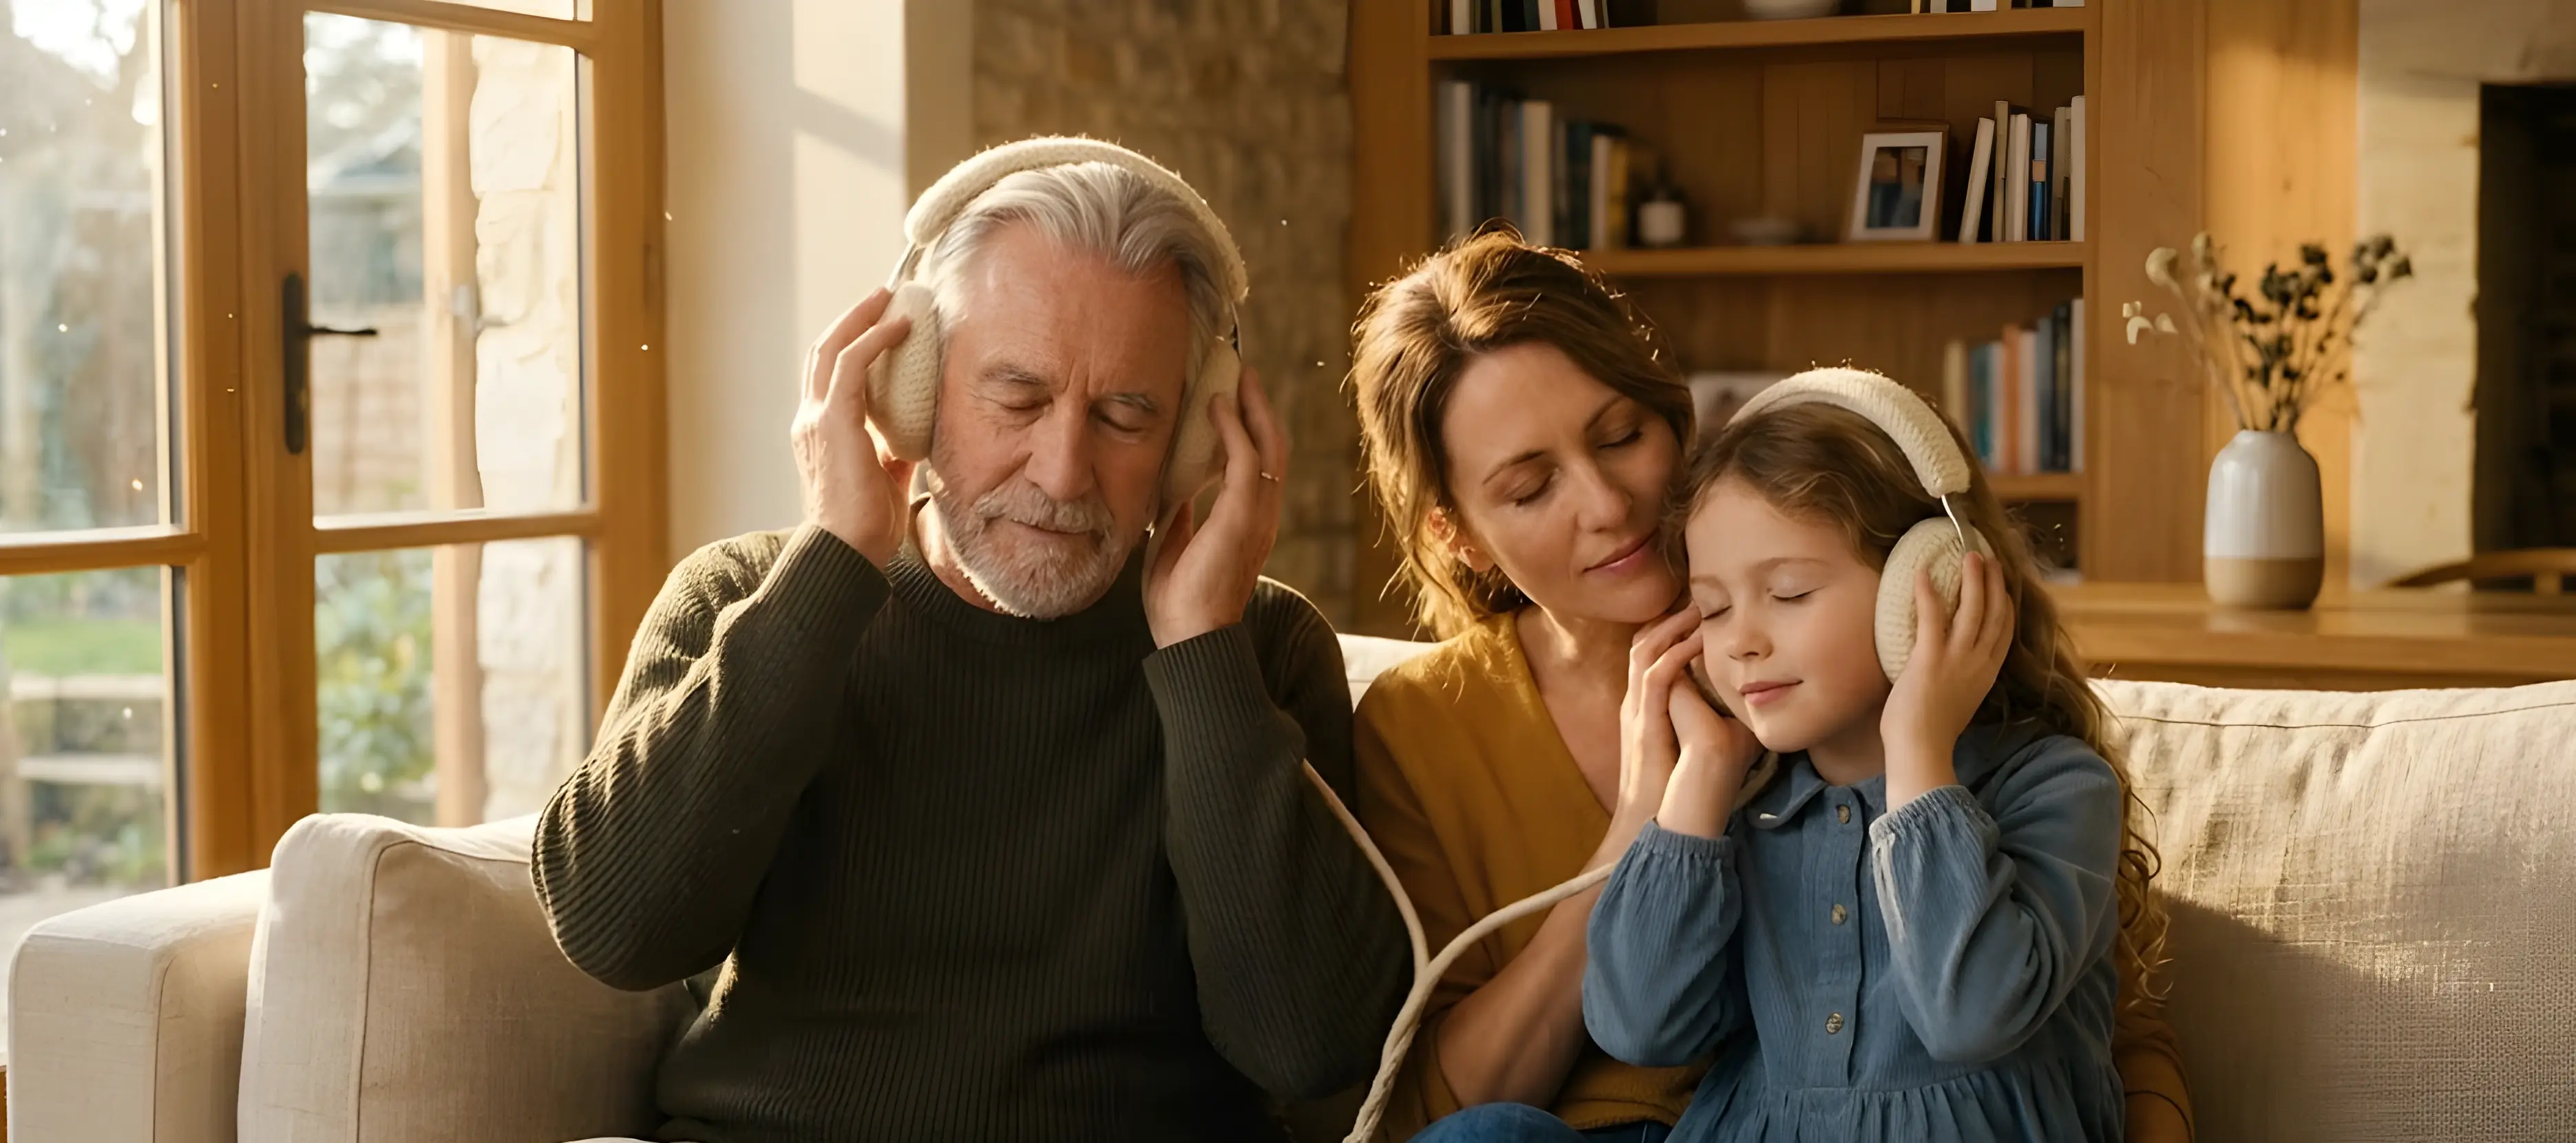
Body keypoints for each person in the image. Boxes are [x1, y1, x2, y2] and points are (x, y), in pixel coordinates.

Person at [531, 141, 1408, 1143]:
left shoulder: (1258, 647)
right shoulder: (744, 594)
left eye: (1125, 414)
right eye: (1017, 397)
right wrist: (832, 565)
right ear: (908, 386)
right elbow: (613, 928)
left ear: (1193, 441)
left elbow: (1308, 1044)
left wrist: (1202, 655)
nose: (1063, 471)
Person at [1343, 231, 2191, 1143]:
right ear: (1460, 534)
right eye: (1528, 487)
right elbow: (1462, 1094)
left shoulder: (1841, 673)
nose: (1607, 504)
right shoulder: (1427, 721)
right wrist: (1645, 821)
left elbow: (2097, 1022)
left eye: (1622, 436)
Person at [1582, 370, 2164, 1142]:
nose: (1741, 640)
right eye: (1713, 607)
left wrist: (1917, 751)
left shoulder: (2055, 788)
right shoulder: (1749, 811)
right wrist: (1704, 772)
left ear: (1931, 588)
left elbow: (1968, 1015)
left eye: (1790, 592)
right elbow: (1637, 1025)